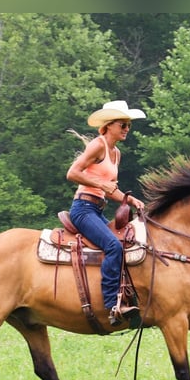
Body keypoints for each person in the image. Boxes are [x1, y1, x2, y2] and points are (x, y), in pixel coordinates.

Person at [66, 100, 146, 326]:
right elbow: (72, 173)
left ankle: (125, 295)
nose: (127, 129)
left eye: (129, 125)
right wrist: (101, 185)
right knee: (113, 246)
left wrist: (130, 200)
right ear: (109, 125)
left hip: (96, 208)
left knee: (126, 243)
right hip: (82, 209)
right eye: (123, 124)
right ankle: (112, 304)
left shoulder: (116, 153)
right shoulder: (98, 145)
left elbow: (111, 189)